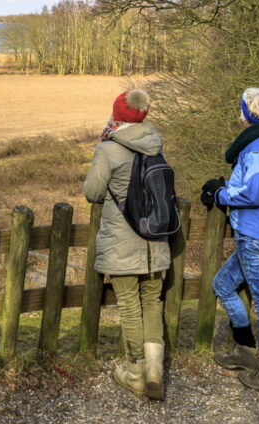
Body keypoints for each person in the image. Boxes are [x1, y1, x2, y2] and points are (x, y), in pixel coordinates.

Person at [201, 87, 259, 398]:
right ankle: (245, 350)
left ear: (249, 114)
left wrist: (220, 195)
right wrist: (226, 185)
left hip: (256, 238)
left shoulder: (257, 149)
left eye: (240, 108)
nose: (237, 112)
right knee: (224, 285)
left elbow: (255, 193)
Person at [83, 89, 169, 400]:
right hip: (156, 243)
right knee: (152, 304)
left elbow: (92, 192)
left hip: (123, 243)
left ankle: (136, 375)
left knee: (130, 308)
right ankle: (155, 371)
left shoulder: (108, 149)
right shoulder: (156, 146)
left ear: (117, 114)